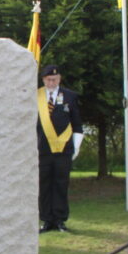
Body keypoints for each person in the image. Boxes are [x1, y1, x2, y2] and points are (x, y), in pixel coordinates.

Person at [36, 64, 83, 233]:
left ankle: (60, 219)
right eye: (48, 79)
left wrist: (76, 147)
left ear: (59, 79)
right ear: (43, 80)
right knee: (44, 185)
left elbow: (77, 124)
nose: (51, 82)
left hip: (64, 149)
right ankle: (47, 220)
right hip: (42, 149)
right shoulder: (36, 96)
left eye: (54, 79)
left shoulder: (70, 96)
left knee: (61, 184)